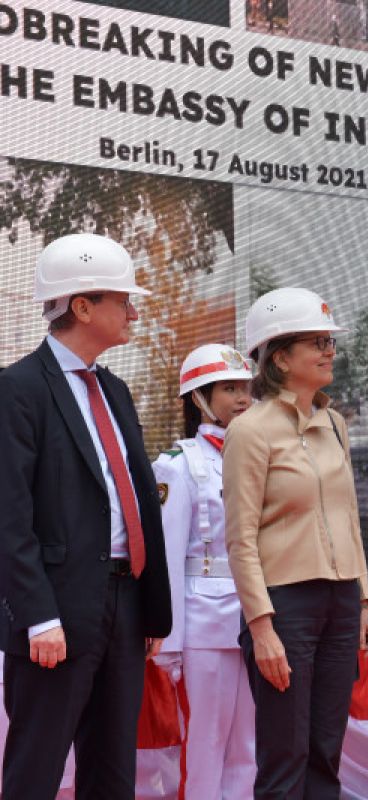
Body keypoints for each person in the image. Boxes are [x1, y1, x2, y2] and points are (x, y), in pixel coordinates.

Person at [0, 233, 172, 798]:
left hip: (124, 606)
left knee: (112, 767)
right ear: (82, 306)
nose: (133, 311)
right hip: (57, 610)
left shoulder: (116, 391)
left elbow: (137, 500)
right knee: (36, 767)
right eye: (123, 299)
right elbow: (9, 517)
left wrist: (150, 609)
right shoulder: (18, 389)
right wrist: (37, 617)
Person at [224, 287, 368, 798]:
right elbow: (240, 538)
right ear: (280, 356)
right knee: (284, 756)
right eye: (318, 341)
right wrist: (261, 627)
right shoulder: (249, 430)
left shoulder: (335, 423)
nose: (330, 351)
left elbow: (349, 516)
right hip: (284, 606)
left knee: (325, 752)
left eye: (330, 341)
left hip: (338, 602)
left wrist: (363, 600)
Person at [152, 344, 255, 799]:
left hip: (255, 617)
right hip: (203, 620)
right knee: (207, 742)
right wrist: (169, 642)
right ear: (198, 397)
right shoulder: (177, 465)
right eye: (229, 389)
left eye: (246, 388)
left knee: (249, 745)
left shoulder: (255, 454)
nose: (242, 398)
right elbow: (169, 555)